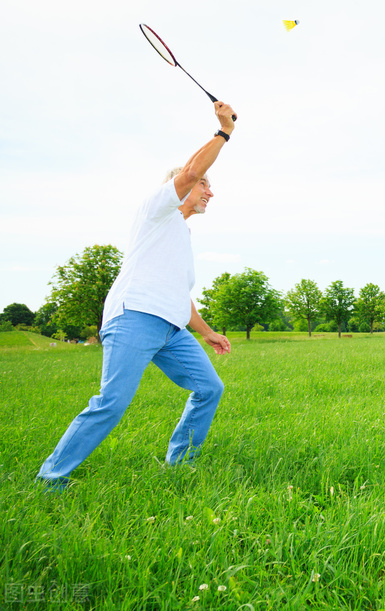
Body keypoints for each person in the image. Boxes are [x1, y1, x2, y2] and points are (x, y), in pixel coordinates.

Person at [37, 102, 238, 486]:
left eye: (209, 185)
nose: (210, 190)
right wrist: (224, 131)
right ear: (181, 186)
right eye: (204, 185)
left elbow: (180, 295)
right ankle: (51, 477)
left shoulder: (183, 234)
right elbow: (192, 168)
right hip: (134, 318)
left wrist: (207, 331)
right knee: (111, 404)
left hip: (171, 329)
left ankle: (180, 464)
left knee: (209, 387)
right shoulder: (157, 211)